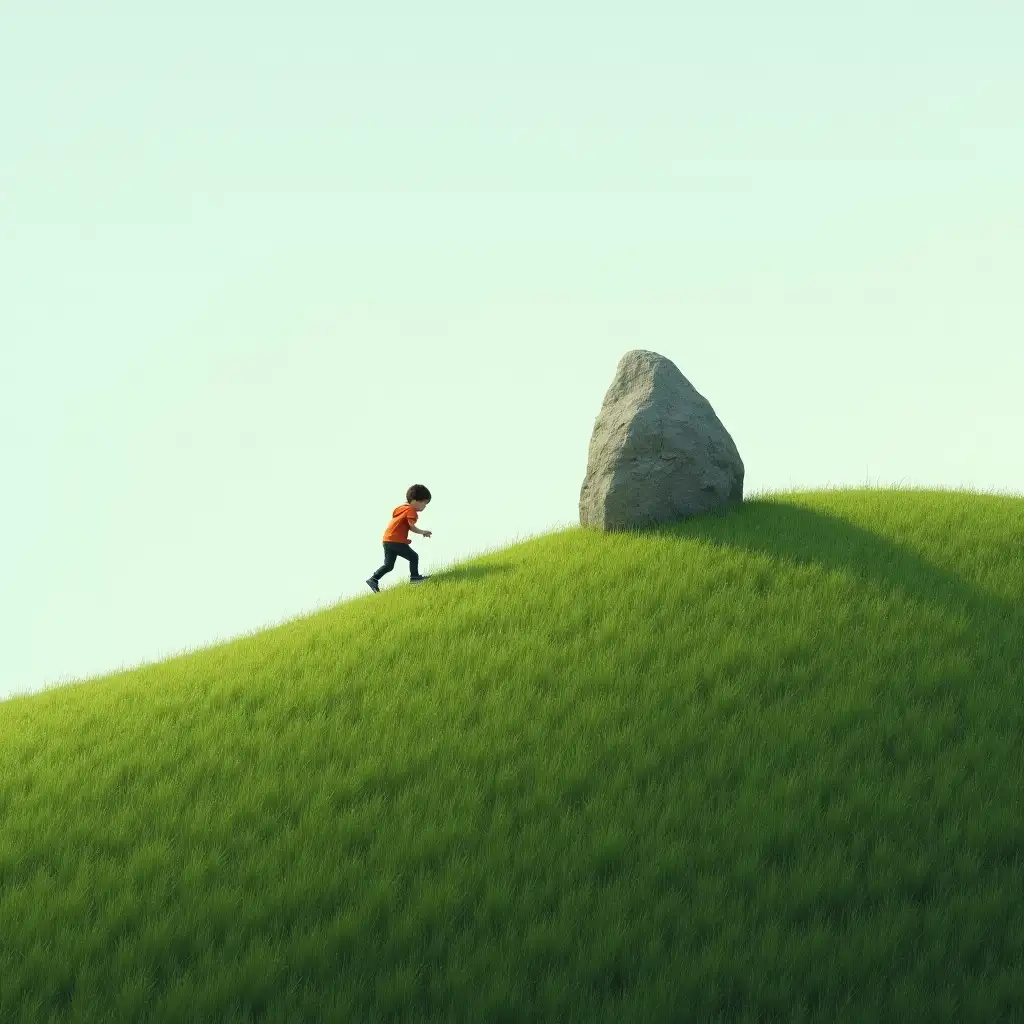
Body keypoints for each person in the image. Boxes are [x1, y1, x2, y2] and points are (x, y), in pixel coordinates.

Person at [366, 484, 432, 592]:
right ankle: (415, 578)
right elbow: (411, 526)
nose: (425, 506)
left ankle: (373, 579)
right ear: (416, 500)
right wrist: (423, 532)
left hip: (387, 540)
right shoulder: (411, 511)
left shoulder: (402, 509)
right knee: (414, 557)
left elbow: (405, 524)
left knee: (388, 565)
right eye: (424, 503)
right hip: (396, 540)